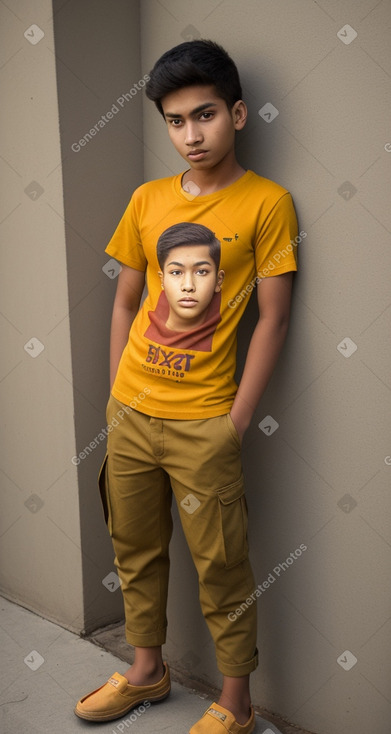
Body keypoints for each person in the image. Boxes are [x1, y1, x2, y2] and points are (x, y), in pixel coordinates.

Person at [75, 39, 298, 734]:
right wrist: (118, 397)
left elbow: (272, 319)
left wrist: (233, 421)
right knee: (132, 549)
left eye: (204, 115)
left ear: (236, 114)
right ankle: (147, 672)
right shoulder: (147, 200)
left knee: (222, 565)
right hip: (132, 414)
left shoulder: (267, 204)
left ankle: (235, 703)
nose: (190, 135)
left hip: (204, 425)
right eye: (174, 121)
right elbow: (123, 303)